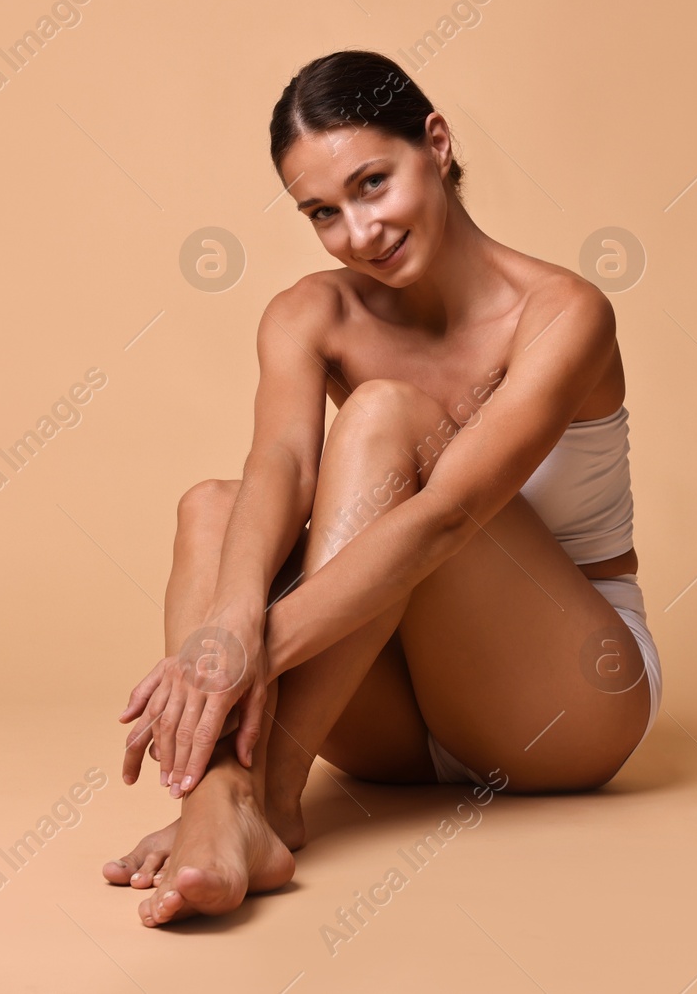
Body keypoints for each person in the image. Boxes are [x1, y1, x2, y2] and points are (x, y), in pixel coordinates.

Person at [100, 49, 662, 927]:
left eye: (372, 183)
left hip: (564, 696)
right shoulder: (311, 312)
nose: (357, 232)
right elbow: (279, 467)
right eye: (323, 211)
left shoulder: (564, 311)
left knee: (384, 416)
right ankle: (220, 807)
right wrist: (227, 630)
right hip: (390, 706)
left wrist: (231, 653)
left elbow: (444, 519)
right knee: (212, 509)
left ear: (435, 144)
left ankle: (263, 799)